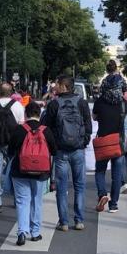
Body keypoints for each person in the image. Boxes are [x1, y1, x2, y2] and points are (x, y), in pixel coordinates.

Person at [42, 75, 92, 231]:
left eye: (57, 84)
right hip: (78, 150)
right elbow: (88, 127)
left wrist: (53, 146)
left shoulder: (54, 104)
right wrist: (83, 142)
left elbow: (46, 128)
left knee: (62, 188)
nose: (55, 86)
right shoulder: (82, 103)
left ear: (63, 86)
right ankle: (79, 220)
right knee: (79, 186)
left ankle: (63, 222)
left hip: (61, 150)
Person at [8, 102, 58, 245]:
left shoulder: (19, 130)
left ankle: (22, 232)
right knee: (37, 201)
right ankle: (35, 232)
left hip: (20, 171)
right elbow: (54, 151)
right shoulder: (46, 130)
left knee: (22, 202)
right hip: (41, 173)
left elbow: (10, 151)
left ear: (26, 114)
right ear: (39, 114)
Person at [0, 83, 25, 213]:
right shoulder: (18, 105)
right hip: (13, 143)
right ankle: (15, 199)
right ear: (11, 92)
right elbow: (21, 125)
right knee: (13, 170)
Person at [92, 81, 127, 214]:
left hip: (103, 141)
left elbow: (94, 117)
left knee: (100, 171)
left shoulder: (100, 101)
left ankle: (102, 195)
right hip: (117, 142)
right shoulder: (124, 102)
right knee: (117, 175)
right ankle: (113, 204)